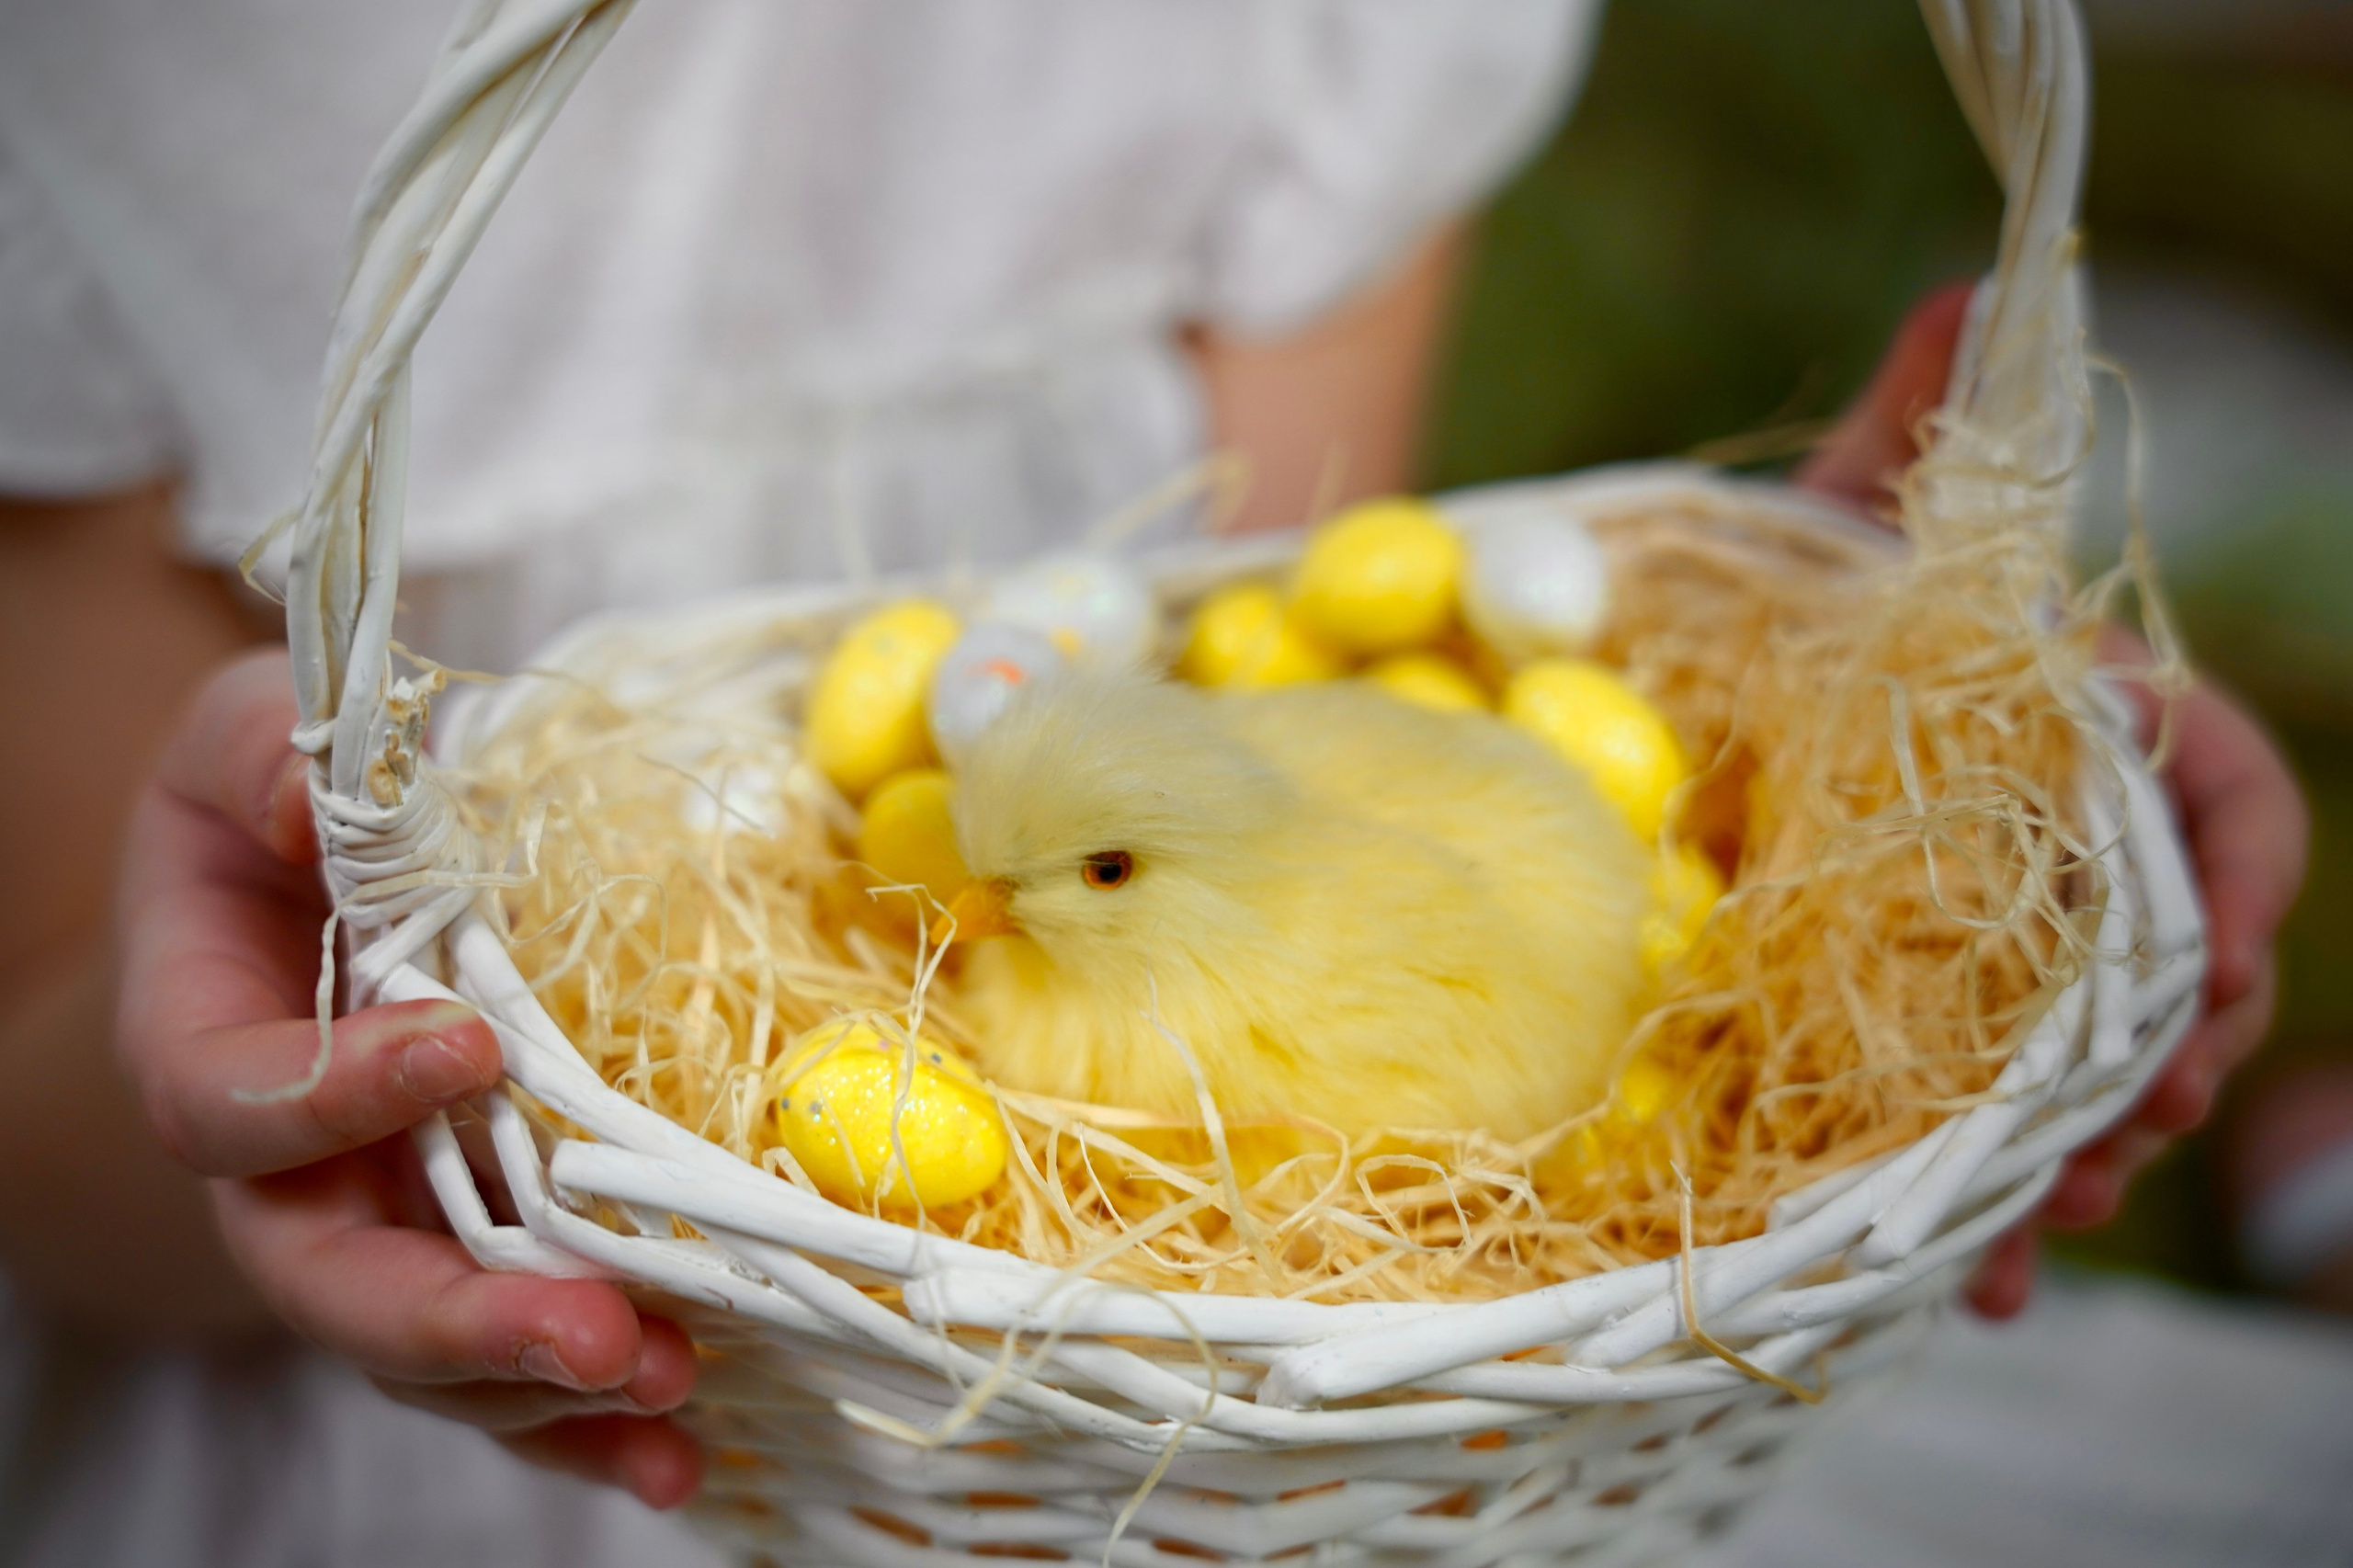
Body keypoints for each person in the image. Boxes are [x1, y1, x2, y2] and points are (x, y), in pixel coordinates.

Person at [0, 0, 2308, 1553]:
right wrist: (323, 1042)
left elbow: (1255, 603)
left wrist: (1830, 687)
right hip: (480, 1444)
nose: (954, 889)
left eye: (1064, 870)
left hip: (1362, 1442)